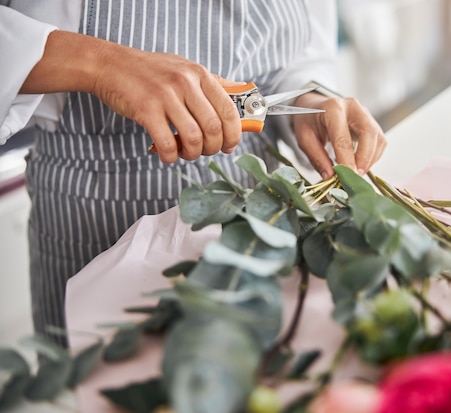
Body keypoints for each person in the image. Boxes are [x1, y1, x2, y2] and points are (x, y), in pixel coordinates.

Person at [0, 0, 387, 346]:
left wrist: (307, 99)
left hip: (264, 213)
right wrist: (100, 63)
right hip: (98, 209)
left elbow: (299, 51)